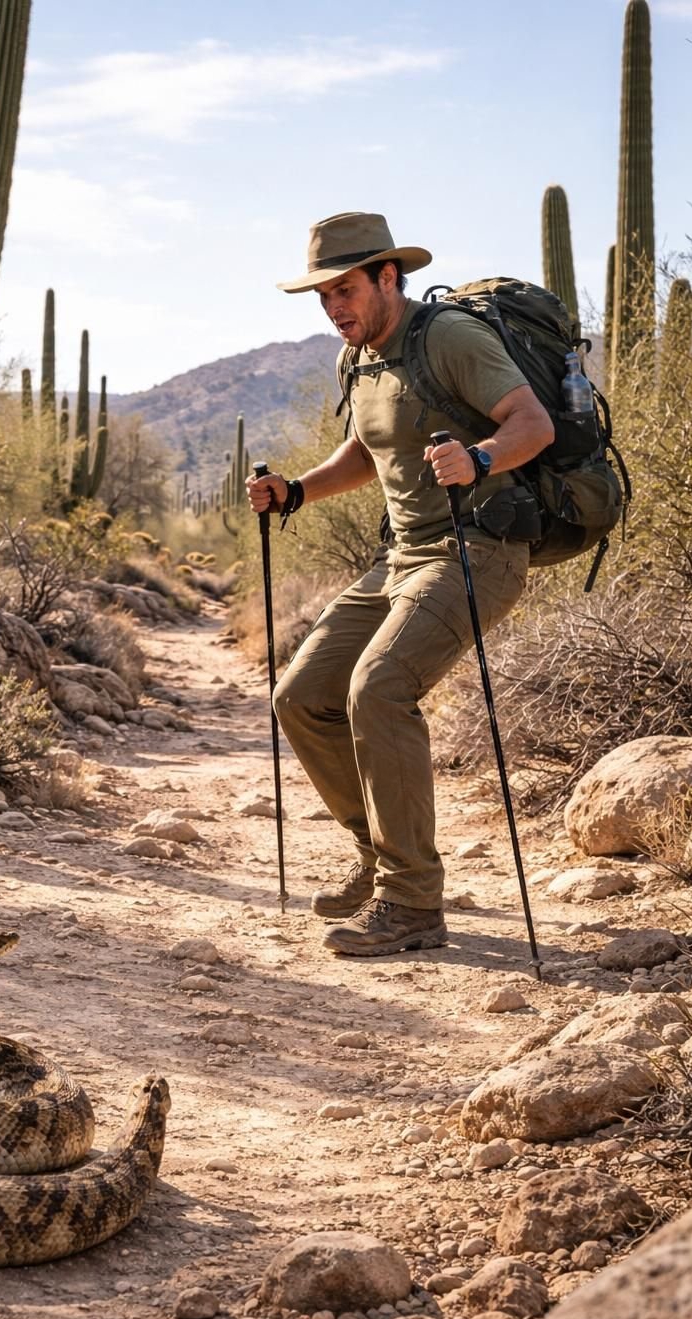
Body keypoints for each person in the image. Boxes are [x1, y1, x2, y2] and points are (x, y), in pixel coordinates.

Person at [246, 212, 553, 958]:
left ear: (388, 276)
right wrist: (295, 493)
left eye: (344, 290)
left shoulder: (446, 337)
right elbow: (364, 451)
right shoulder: (360, 358)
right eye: (323, 298)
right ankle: (381, 857)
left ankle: (413, 905)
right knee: (301, 694)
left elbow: (532, 422)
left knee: (378, 688)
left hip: (478, 549)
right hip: (403, 555)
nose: (334, 309)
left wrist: (480, 460)